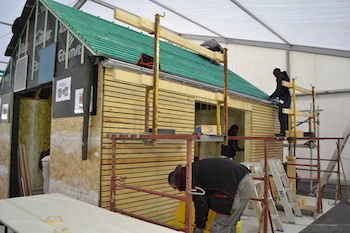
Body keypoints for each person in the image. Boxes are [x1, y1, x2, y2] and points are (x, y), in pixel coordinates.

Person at [168, 158, 253, 233]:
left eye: (176, 188)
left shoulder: (187, 178)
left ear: (176, 182)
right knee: (230, 224)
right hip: (245, 180)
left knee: (219, 226)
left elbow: (201, 203)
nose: (179, 190)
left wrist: (199, 227)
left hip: (238, 185)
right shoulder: (190, 170)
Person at [269, 68, 291, 137]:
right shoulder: (285, 77)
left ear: (276, 72)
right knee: (286, 114)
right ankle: (287, 131)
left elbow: (279, 89)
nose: (275, 76)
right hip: (287, 97)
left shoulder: (279, 77)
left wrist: (271, 96)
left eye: (274, 75)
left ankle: (283, 132)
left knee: (282, 114)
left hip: (283, 97)